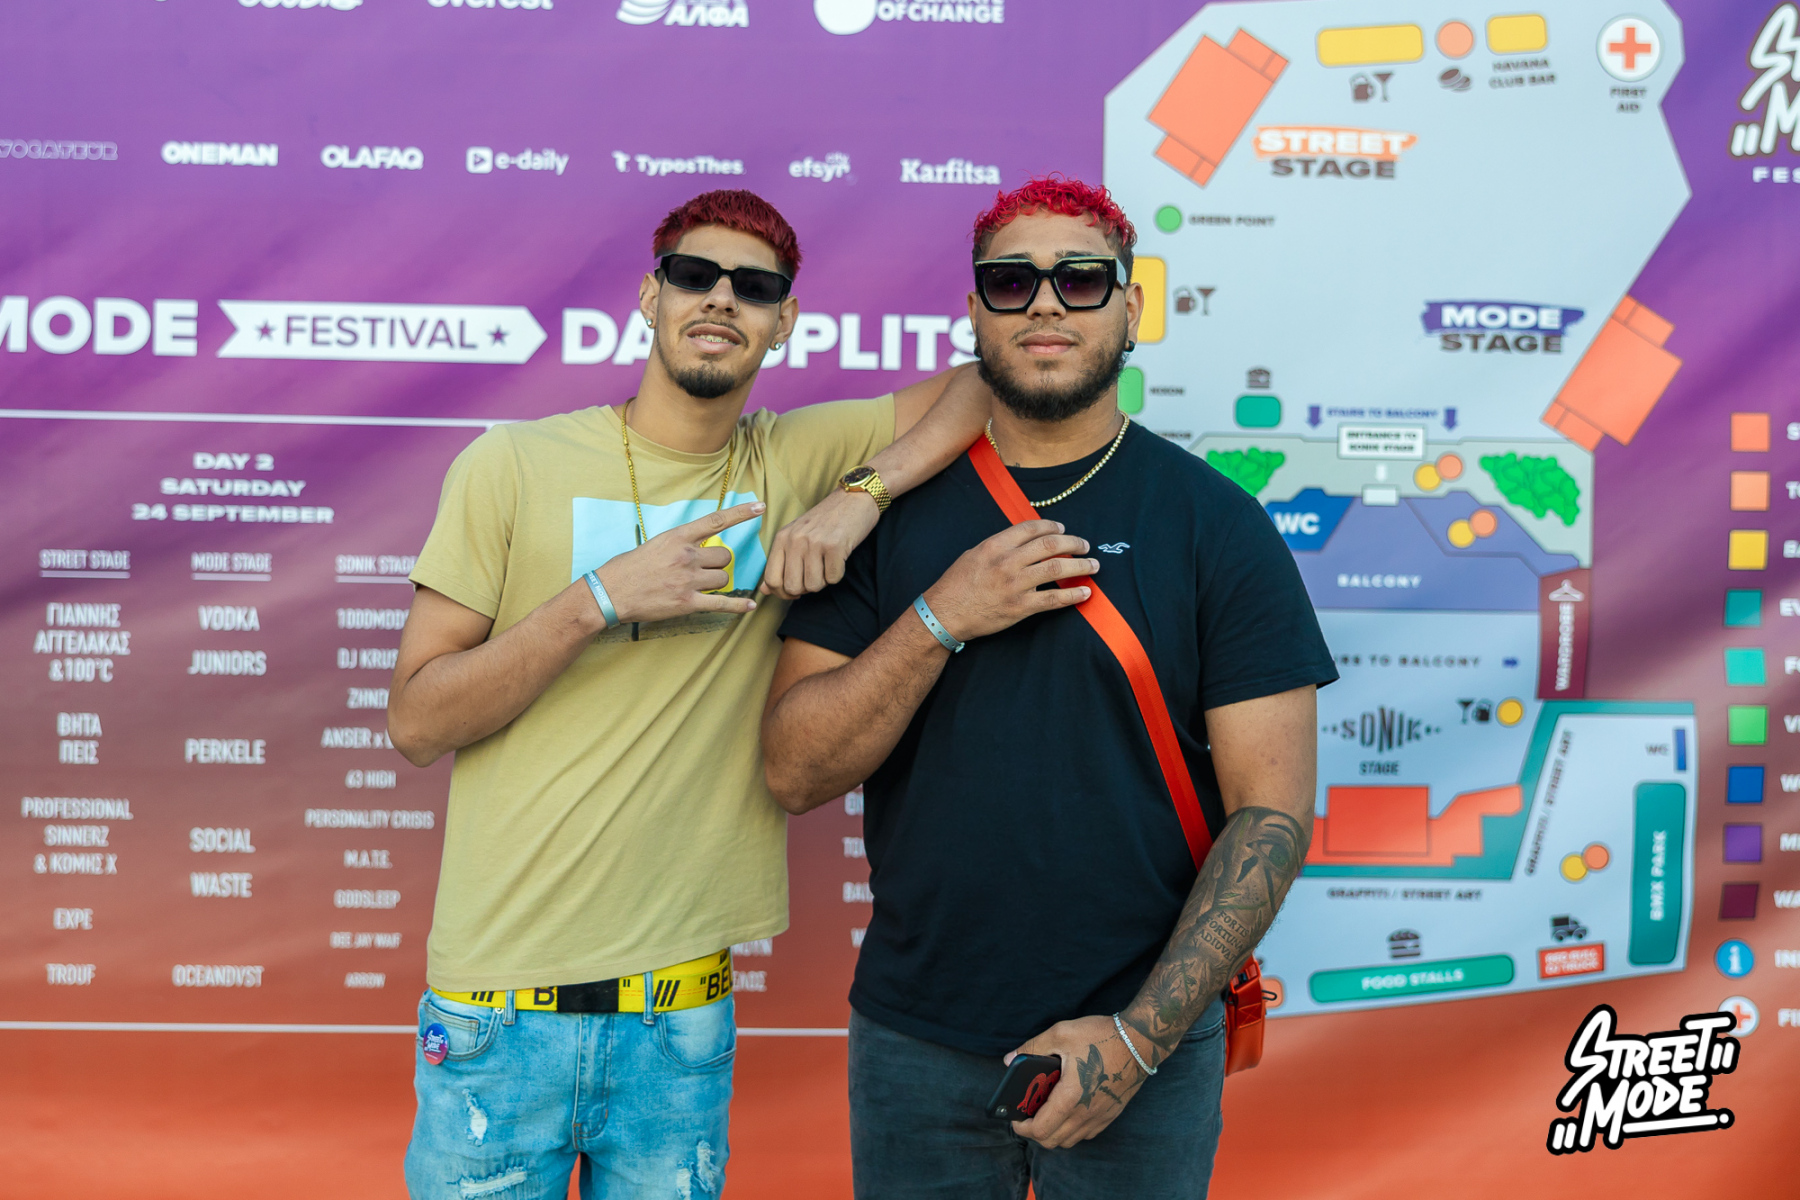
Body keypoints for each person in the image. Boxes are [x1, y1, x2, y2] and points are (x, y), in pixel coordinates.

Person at [389, 188, 991, 1200]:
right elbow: (416, 721)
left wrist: (860, 497)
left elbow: (983, 385)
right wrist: (594, 601)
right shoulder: (512, 464)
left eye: (754, 288)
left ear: (784, 321)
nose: (720, 298)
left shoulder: (790, 459)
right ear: (650, 295)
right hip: (497, 1012)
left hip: (679, 1018)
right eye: (694, 275)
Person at [762, 176, 1338, 1199]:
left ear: (1131, 306)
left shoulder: (1216, 526)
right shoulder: (889, 519)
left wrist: (1140, 1037)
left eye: (1080, 279)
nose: (1044, 303)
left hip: (1139, 1045)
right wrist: (941, 616)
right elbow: (794, 769)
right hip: (916, 1041)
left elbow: (1272, 815)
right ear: (974, 309)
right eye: (1011, 280)